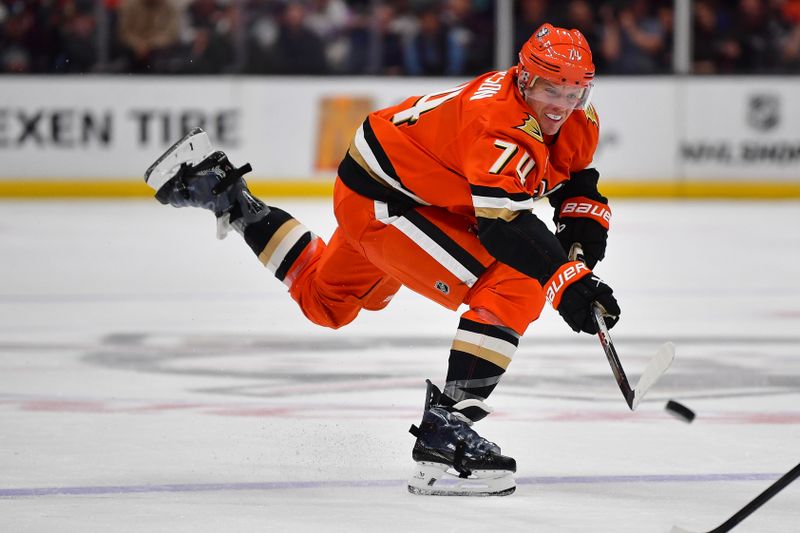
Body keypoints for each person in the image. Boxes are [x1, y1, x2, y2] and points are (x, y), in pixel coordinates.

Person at [144, 23, 619, 497]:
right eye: (549, 87)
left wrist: (581, 242)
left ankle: (226, 195)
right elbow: (504, 227)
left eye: (574, 91)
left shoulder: (579, 118)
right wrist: (566, 278)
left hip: (406, 187)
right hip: (386, 201)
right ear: (523, 78)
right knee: (517, 281)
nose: (560, 104)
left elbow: (575, 184)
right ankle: (446, 430)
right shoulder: (497, 124)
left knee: (324, 302)